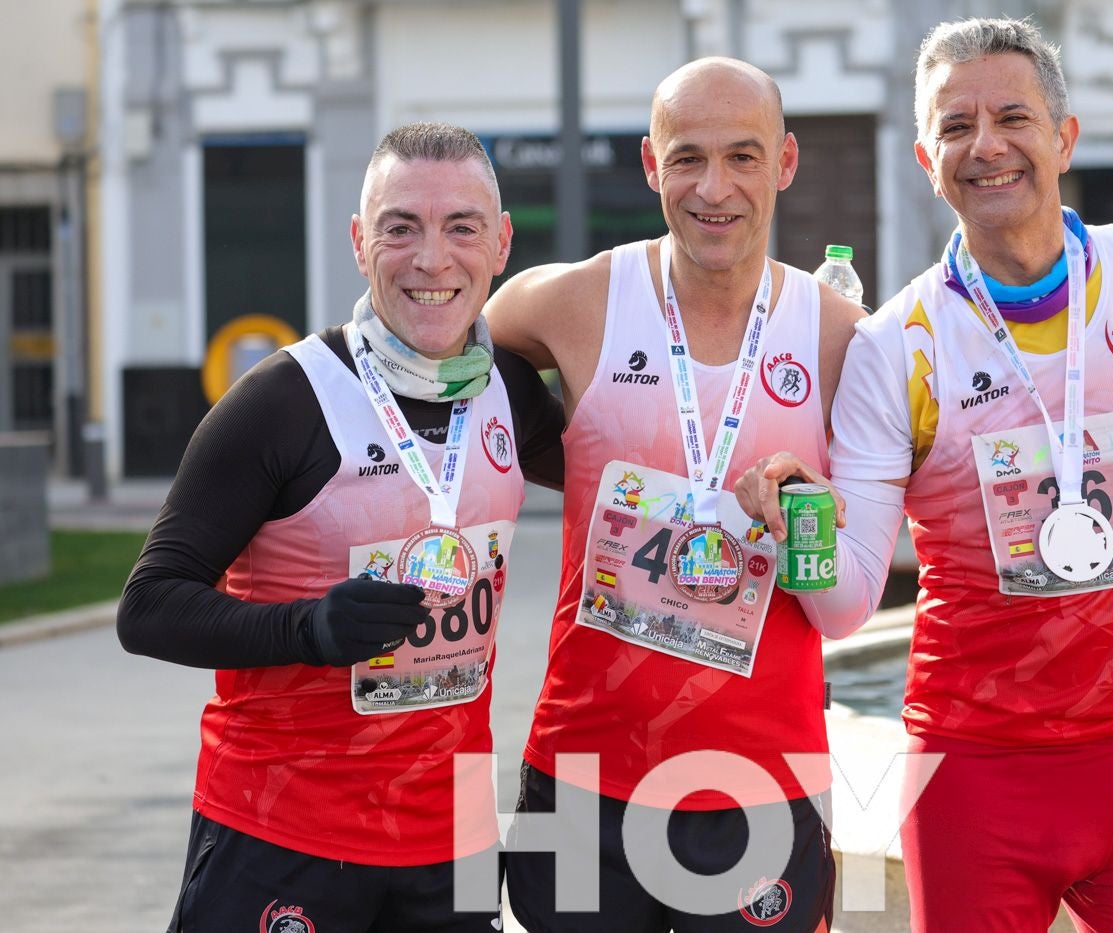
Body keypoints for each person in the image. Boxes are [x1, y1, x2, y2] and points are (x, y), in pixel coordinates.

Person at [734, 17, 1113, 933]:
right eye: (954, 127)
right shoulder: (895, 345)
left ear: (1064, 137)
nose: (985, 146)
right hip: (978, 774)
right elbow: (850, 603)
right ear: (924, 158)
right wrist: (800, 530)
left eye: (1013, 116)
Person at [117, 122, 564, 933]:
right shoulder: (282, 401)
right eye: (401, 227)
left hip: (451, 841)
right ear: (360, 243)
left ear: (501, 244)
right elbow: (147, 606)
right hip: (281, 830)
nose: (432, 258)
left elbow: (634, 485)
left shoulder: (511, 391)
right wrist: (309, 627)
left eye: (461, 226)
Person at [483, 57, 865, 932]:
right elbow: (460, 349)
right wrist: (560, 458)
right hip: (585, 770)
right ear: (651, 164)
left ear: (786, 162)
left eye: (743, 156)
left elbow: (867, 563)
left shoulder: (842, 336)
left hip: (760, 780)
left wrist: (814, 511)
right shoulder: (570, 301)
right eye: (687, 158)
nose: (715, 188)